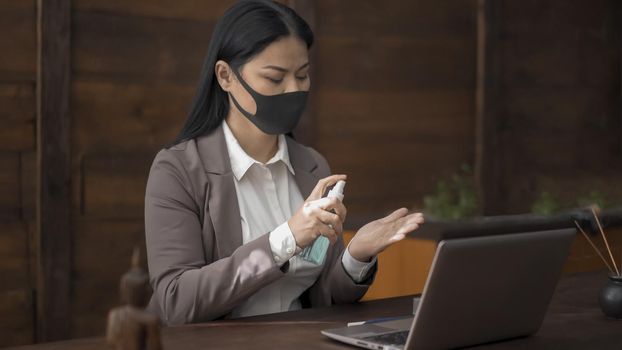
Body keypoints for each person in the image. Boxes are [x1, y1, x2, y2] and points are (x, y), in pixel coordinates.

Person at [144, 0, 424, 326]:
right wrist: (285, 240)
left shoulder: (312, 165)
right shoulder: (178, 171)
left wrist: (356, 256)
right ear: (225, 76)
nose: (293, 89)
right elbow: (177, 300)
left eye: (302, 75)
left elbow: (327, 296)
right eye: (275, 78)